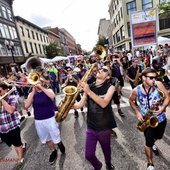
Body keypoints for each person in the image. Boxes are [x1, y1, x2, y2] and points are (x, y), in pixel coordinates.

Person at [73, 66, 116, 170]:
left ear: (108, 76)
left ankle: (108, 163)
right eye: (101, 68)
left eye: (105, 70)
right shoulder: (89, 86)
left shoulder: (110, 87)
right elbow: (79, 105)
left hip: (105, 127)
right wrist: (66, 105)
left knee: (106, 150)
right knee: (89, 155)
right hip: (91, 126)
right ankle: (98, 166)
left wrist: (88, 91)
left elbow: (104, 103)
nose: (101, 70)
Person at [129, 67, 170, 170]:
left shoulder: (158, 84)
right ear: (143, 78)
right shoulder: (136, 90)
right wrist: (137, 112)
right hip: (147, 120)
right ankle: (150, 164)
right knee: (148, 142)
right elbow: (131, 101)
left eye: (155, 78)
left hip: (160, 118)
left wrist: (163, 108)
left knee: (159, 136)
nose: (154, 80)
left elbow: (167, 97)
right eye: (151, 78)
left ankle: (153, 142)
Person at [24, 80, 65, 165]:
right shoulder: (32, 94)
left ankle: (59, 143)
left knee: (55, 136)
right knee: (47, 138)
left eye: (38, 82)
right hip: (39, 121)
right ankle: (53, 151)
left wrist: (41, 87)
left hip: (50, 119)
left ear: (42, 83)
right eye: (34, 82)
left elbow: (53, 96)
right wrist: (33, 92)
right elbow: (26, 106)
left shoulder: (48, 90)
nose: (36, 84)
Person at [0, 83, 26, 169]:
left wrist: (2, 100)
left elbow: (11, 110)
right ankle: (22, 145)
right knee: (12, 143)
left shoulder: (12, 98)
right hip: (3, 129)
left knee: (16, 144)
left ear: (5, 90)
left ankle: (20, 158)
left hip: (13, 126)